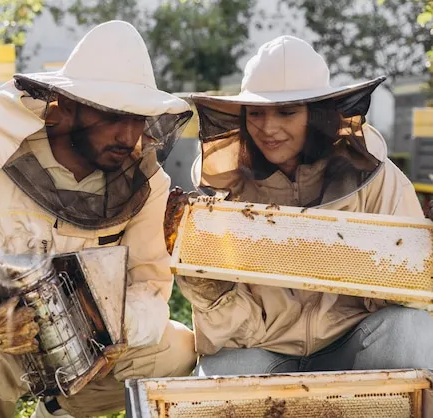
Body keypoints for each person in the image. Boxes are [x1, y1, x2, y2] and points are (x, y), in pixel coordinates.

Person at [0, 20, 197, 418]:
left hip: (95, 346)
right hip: (0, 338)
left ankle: (59, 412)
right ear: (65, 107)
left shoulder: (147, 184)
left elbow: (150, 288)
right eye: (113, 116)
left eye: (138, 118)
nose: (127, 134)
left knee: (176, 351)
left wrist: (113, 329)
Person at [173, 35, 433, 377]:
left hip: (355, 345)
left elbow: (408, 296)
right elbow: (230, 328)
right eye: (256, 113)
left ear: (317, 114)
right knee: (218, 376)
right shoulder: (226, 190)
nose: (268, 128)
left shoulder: (382, 182)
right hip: (263, 347)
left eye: (286, 112)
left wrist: (403, 266)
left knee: (409, 330)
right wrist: (213, 294)